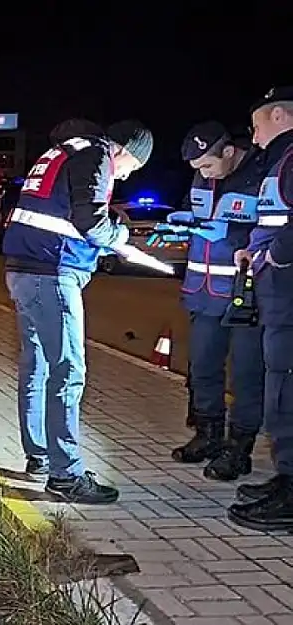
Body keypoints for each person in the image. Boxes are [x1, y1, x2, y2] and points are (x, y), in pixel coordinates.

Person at [2, 120, 153, 504]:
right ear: (124, 150)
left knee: (35, 365)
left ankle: (39, 455)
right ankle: (65, 475)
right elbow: (90, 221)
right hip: (52, 273)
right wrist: (119, 240)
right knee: (68, 371)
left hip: (23, 269)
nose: (127, 174)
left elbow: (62, 213)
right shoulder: (96, 154)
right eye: (131, 167)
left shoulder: (65, 150)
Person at [162, 122, 266, 481]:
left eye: (207, 166)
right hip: (203, 292)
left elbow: (272, 227)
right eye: (197, 170)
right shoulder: (202, 178)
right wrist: (185, 221)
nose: (203, 174)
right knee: (203, 367)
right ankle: (208, 435)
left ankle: (239, 449)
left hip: (243, 294)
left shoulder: (260, 173)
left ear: (228, 152)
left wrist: (233, 233)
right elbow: (199, 214)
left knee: (246, 374)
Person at [228, 86, 293, 532]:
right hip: (276, 292)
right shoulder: (279, 161)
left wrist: (277, 255)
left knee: (287, 386)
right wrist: (254, 250)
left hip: (288, 288)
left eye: (256, 123)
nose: (253, 135)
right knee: (279, 384)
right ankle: (286, 477)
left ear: (278, 114)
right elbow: (272, 219)